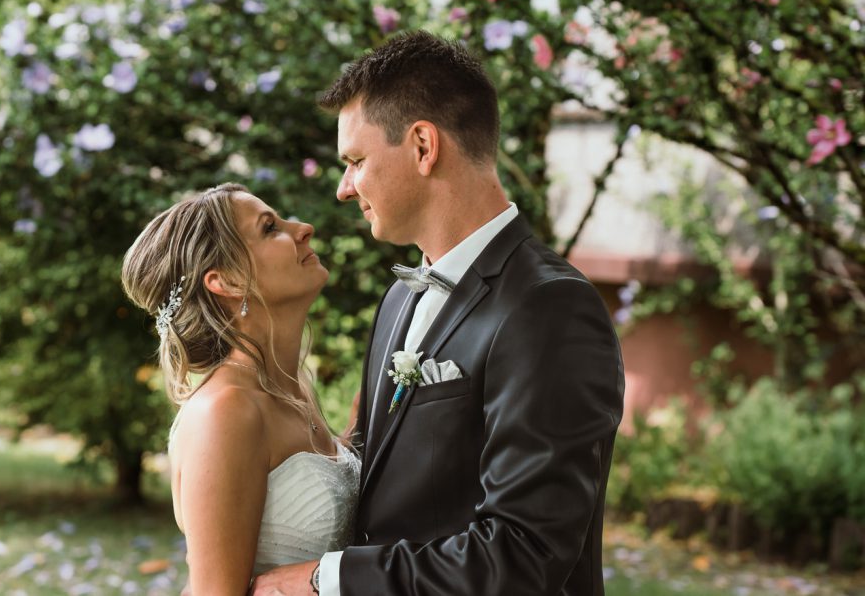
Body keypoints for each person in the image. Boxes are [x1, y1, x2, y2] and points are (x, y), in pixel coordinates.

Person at [252, 31, 625, 595]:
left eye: (355, 161)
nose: (343, 189)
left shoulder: (548, 307)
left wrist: (328, 580)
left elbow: (525, 552)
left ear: (424, 146)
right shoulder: (399, 298)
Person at [120, 183, 360, 595]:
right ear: (227, 281)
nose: (304, 229)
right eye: (270, 228)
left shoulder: (292, 389)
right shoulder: (226, 411)